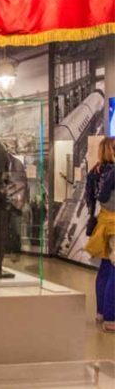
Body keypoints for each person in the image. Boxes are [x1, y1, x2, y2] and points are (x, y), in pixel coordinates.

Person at [85, 137, 115, 332]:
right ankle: (112, 318)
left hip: (102, 222)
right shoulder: (113, 172)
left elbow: (90, 198)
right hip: (113, 224)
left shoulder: (95, 171)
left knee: (105, 268)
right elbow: (105, 196)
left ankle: (101, 312)